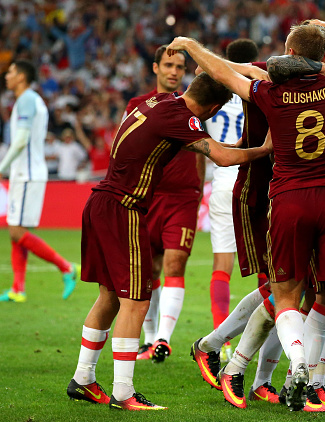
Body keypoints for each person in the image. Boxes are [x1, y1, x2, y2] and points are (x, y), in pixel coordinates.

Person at [167, 23, 325, 418]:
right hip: (322, 199)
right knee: (313, 296)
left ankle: (291, 370)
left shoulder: (273, 91)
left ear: (292, 51)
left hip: (288, 199)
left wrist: (192, 46)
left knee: (290, 297)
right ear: (320, 57)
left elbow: (225, 74)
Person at [65, 72, 272, 411]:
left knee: (109, 296)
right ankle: (123, 393)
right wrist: (264, 149)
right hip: (124, 208)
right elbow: (219, 157)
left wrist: (233, 147)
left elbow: (206, 146)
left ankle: (83, 379)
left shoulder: (161, 101)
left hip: (100, 203)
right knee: (137, 300)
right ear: (215, 108)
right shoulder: (182, 117)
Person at [125, 45, 204, 363]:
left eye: (180, 66)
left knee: (174, 265)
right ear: (155, 68)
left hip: (181, 200)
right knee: (148, 269)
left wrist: (197, 194)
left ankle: (162, 339)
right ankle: (147, 340)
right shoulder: (136, 105)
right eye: (168, 65)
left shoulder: (191, 107)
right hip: (148, 197)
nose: (174, 71)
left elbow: (203, 152)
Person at [0, 60, 78, 303]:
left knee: (16, 230)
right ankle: (18, 289)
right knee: (16, 231)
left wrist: (1, 167)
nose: (7, 76)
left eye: (11, 72)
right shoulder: (33, 100)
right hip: (25, 172)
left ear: (22, 77)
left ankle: (67, 268)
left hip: (27, 173)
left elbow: (21, 140)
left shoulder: (26, 100)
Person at [204, 39, 259, 364]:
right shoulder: (259, 88)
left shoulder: (216, 89)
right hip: (254, 179)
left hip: (222, 181)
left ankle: (219, 339)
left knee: (221, 267)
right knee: (271, 269)